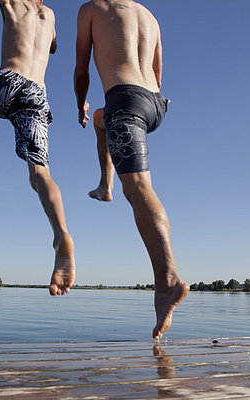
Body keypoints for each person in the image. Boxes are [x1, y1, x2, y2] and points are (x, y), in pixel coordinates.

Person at [74, 0, 189, 339]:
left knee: (139, 188)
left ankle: (167, 282)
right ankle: (105, 185)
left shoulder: (91, 9)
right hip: (155, 103)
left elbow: (81, 70)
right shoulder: (149, 16)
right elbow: (158, 69)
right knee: (101, 119)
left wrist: (79, 99)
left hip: (125, 100)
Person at [0, 0, 75, 296]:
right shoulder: (51, 15)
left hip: (7, 81)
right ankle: (61, 235)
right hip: (36, 93)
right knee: (40, 174)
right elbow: (54, 47)